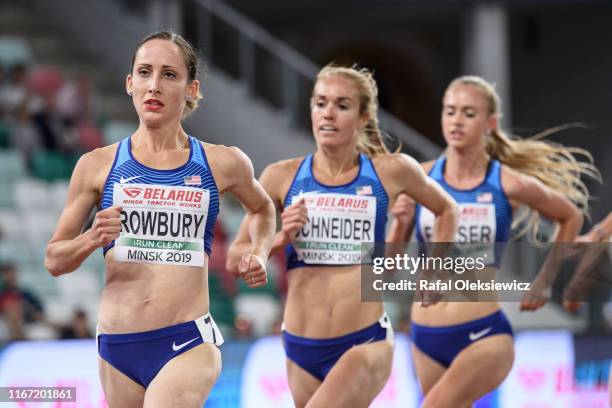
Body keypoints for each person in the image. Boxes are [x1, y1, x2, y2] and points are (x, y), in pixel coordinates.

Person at [44, 31, 275, 408]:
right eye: (145, 72)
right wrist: (91, 238)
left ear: (191, 89)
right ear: (129, 83)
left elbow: (264, 208)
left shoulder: (222, 162)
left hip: (187, 341)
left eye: (169, 74)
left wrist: (258, 251)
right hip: (117, 349)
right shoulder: (96, 166)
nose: (154, 85)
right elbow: (54, 260)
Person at [226, 64, 458, 408]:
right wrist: (282, 237)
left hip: (364, 342)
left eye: (342, 105)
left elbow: (447, 210)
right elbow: (236, 259)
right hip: (301, 347)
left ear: (364, 116)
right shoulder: (281, 177)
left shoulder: (391, 171)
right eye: (320, 103)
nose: (328, 114)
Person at [388, 75, 597, 407]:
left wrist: (545, 281)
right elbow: (387, 271)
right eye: (450, 111)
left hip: (483, 333)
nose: (456, 120)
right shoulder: (419, 179)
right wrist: (399, 227)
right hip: (425, 335)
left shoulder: (507, 184)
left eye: (469, 113)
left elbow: (570, 215)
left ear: (490, 122)